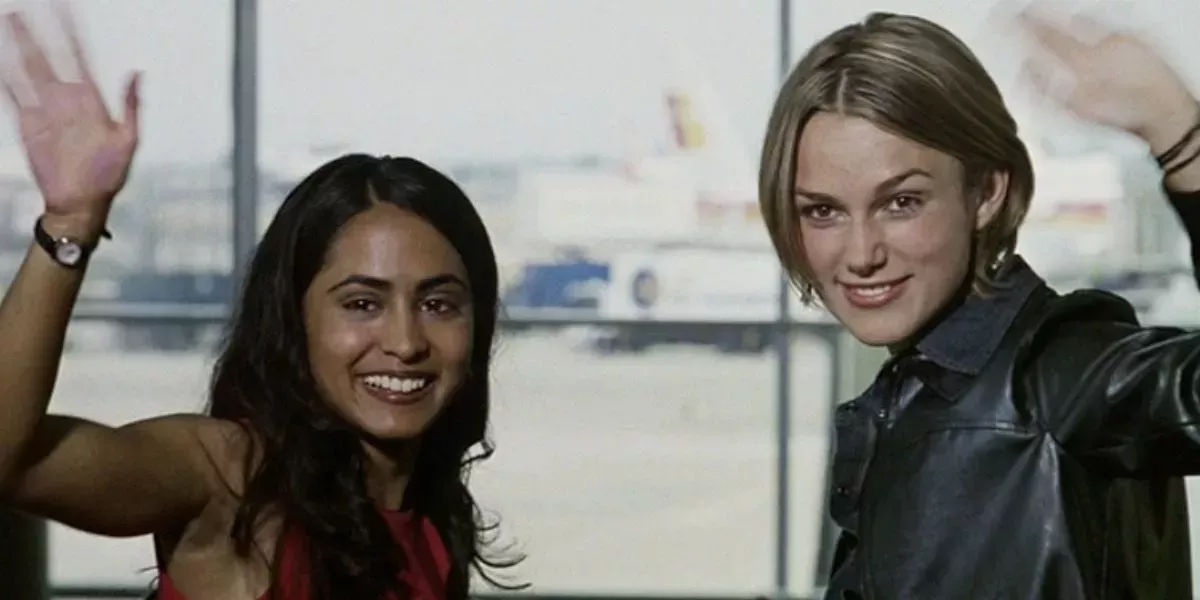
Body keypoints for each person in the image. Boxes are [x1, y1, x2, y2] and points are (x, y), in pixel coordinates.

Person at [0, 6, 521, 600]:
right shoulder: (230, 478)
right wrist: (70, 225)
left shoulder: (430, 517)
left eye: (438, 305)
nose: (405, 343)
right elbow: (11, 459)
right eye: (361, 304)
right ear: (294, 318)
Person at [758, 6, 1200, 600]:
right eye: (823, 211)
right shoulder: (908, 400)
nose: (861, 254)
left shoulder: (1061, 374)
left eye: (901, 202)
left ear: (987, 192)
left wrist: (1180, 133)